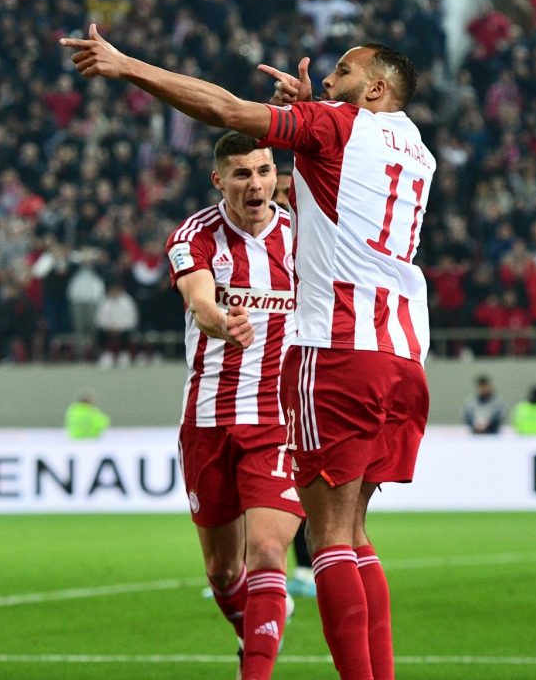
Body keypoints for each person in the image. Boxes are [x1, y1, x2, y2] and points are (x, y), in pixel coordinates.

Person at [64, 25, 434, 680]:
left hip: (338, 349)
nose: (328, 79)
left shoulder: (337, 127)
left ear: (376, 88)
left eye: (343, 72)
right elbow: (339, 172)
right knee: (355, 536)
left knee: (327, 541)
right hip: (403, 350)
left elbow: (229, 110)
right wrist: (309, 114)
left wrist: (128, 66)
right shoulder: (416, 148)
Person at [164, 130, 304, 680]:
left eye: (264, 171)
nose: (256, 183)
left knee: (268, 552)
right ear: (219, 180)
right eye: (242, 173)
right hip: (208, 419)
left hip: (277, 420)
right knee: (223, 572)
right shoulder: (194, 235)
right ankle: (260, 627)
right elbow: (199, 300)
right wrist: (221, 321)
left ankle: (256, 671)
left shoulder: (303, 236)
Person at [270, 168, 315, 600]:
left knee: (299, 484)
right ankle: (251, 573)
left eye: (289, 190)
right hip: (251, 384)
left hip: (297, 383)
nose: (282, 197)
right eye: (279, 190)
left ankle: (304, 569)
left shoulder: (311, 240)